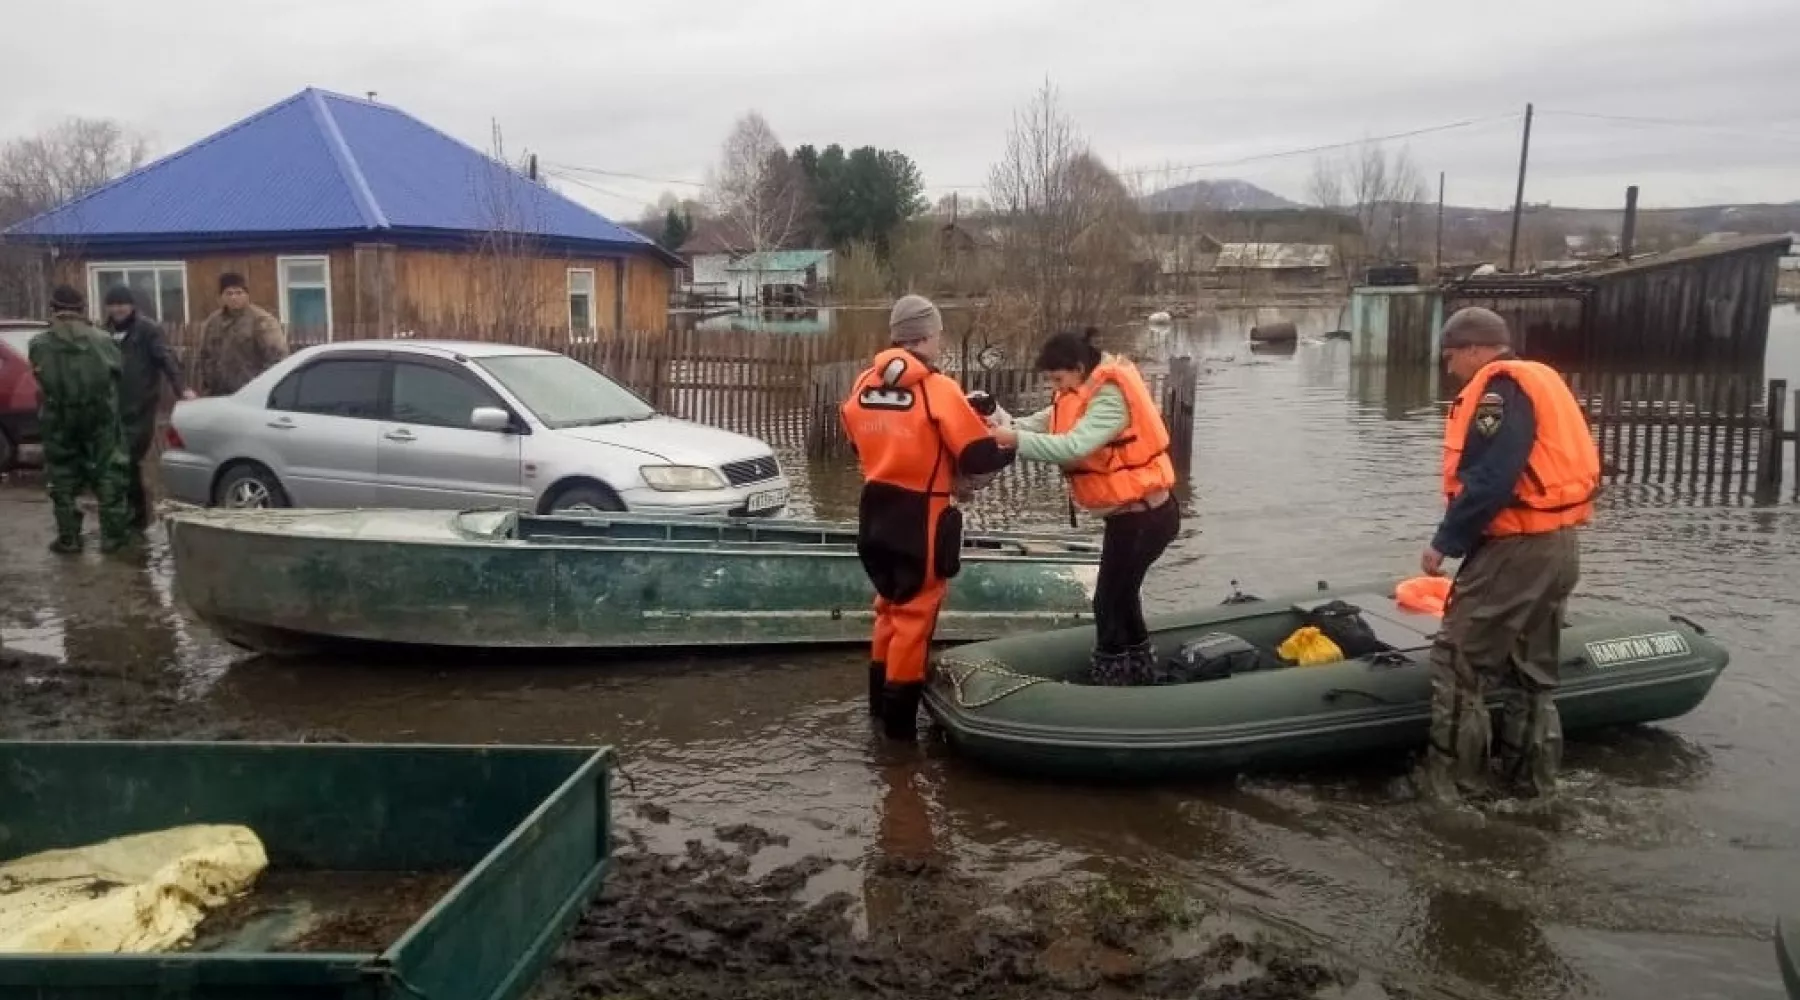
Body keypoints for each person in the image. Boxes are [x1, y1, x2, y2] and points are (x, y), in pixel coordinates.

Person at [1419, 306, 1599, 802]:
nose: (1449, 365)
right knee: (1531, 672)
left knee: (1459, 665)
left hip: (1518, 548)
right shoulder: (1542, 379)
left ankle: (1455, 795)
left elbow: (1492, 478)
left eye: (1451, 355)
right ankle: (1533, 787)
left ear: (1476, 348)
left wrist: (1445, 542)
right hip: (1559, 546)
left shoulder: (1501, 390)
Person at [840, 294, 1015, 740]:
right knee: (916, 617)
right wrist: (1008, 444)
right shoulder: (937, 388)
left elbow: (855, 441)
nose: (940, 342)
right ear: (927, 335)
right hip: (924, 514)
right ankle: (899, 737)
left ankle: (878, 714)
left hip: (874, 508)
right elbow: (977, 455)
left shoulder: (863, 383)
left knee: (887, 609)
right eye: (937, 334)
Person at [994, 328, 1180, 684]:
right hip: (1131, 519)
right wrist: (1011, 425)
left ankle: (1110, 677)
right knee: (1122, 598)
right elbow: (1050, 419)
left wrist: (1015, 440)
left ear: (1079, 368)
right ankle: (1139, 670)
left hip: (1146, 517)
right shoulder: (1079, 390)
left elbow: (1073, 447)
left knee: (1108, 602)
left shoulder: (1110, 398)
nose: (1058, 387)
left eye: (1059, 378)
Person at [29, 284, 136, 554]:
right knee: (109, 472)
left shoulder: (39, 344)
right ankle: (113, 537)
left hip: (59, 416)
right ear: (82, 309)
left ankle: (69, 538)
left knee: (62, 476)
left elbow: (39, 378)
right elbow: (118, 373)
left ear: (52, 309)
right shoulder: (104, 340)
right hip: (99, 416)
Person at [102, 286, 195, 529]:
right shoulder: (104, 332)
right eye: (113, 304)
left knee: (129, 460)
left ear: (132, 306)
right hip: (111, 408)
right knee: (116, 463)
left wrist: (181, 388)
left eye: (123, 304)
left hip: (140, 406)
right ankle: (126, 514)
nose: (118, 309)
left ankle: (139, 517)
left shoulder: (147, 330)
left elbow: (166, 358)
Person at [195, 272, 287, 396]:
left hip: (251, 393)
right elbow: (203, 356)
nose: (234, 297)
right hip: (217, 394)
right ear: (221, 297)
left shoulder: (262, 321)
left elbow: (278, 357)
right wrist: (205, 384)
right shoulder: (213, 322)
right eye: (229, 293)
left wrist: (261, 386)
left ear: (247, 295)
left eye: (239, 292)